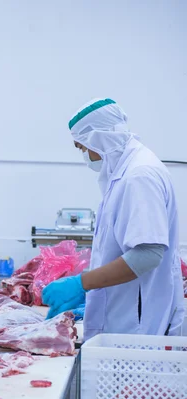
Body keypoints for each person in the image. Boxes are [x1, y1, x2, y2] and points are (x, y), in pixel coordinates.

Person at [43, 98, 184, 341]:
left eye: (82, 147)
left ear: (97, 139)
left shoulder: (139, 176)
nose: (85, 155)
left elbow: (147, 254)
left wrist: (81, 283)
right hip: (129, 316)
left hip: (139, 324)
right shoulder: (126, 171)